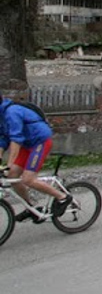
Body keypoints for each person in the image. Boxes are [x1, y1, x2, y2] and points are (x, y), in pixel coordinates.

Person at [0, 91, 72, 222]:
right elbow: (3, 139)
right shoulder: (2, 114)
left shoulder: (12, 112)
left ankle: (62, 197)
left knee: (28, 179)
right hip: (27, 145)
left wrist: (9, 164)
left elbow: (16, 139)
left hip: (40, 142)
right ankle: (31, 208)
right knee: (12, 176)